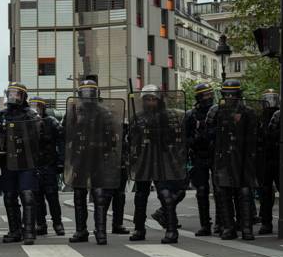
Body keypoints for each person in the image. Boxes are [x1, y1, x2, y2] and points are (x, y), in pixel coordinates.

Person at [63, 81, 125, 245]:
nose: (88, 95)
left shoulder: (104, 112)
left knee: (99, 195)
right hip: (80, 157)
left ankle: (101, 231)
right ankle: (80, 230)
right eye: (85, 92)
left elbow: (113, 136)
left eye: (91, 92)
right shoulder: (74, 111)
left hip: (99, 157)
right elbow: (66, 133)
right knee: (79, 195)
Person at [128, 85, 187, 244]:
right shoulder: (137, 117)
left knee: (166, 195)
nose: (151, 102)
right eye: (147, 99)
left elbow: (177, 139)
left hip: (163, 159)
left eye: (154, 99)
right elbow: (132, 141)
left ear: (159, 100)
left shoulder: (169, 116)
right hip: (144, 159)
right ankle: (139, 228)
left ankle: (171, 229)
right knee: (140, 197)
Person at [206, 80, 258, 240]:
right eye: (226, 94)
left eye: (232, 94)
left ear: (238, 95)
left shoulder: (248, 111)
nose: (229, 97)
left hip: (243, 158)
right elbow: (207, 134)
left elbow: (255, 135)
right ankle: (228, 227)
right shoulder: (216, 111)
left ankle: (246, 227)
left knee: (244, 192)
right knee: (223, 193)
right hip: (222, 158)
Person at [0, 82, 41, 245]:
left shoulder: (31, 114)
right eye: (11, 93)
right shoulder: (1, 115)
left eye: (17, 94)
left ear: (23, 97)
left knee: (27, 195)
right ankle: (14, 231)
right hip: (7, 161)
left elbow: (38, 139)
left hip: (26, 161)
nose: (13, 97)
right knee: (9, 196)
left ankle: (29, 231)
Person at [29, 97, 65, 237]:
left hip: (49, 164)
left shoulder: (51, 122)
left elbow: (62, 141)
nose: (35, 109)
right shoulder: (28, 123)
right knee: (37, 197)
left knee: (52, 196)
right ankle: (41, 224)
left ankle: (57, 223)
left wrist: (61, 161)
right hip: (34, 164)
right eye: (32, 106)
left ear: (43, 108)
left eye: (37, 106)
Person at [184, 82, 217, 236]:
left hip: (216, 155)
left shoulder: (218, 111)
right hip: (198, 156)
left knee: (220, 190)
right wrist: (194, 140)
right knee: (202, 191)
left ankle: (222, 223)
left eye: (210, 94)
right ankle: (205, 225)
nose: (209, 97)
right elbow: (184, 137)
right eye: (205, 95)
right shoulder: (191, 115)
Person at [257, 88, 283, 234]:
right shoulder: (259, 117)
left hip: (279, 158)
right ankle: (266, 222)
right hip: (265, 158)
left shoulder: (282, 115)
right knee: (265, 191)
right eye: (267, 99)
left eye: (272, 98)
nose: (270, 102)